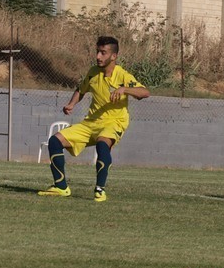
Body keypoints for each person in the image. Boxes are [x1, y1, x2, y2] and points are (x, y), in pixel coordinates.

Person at [38, 35, 150, 202]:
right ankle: (61, 187)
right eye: (97, 52)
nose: (98, 56)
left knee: (102, 144)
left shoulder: (122, 76)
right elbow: (81, 89)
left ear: (114, 56)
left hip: (114, 122)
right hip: (90, 123)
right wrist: (71, 104)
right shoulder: (93, 72)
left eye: (103, 53)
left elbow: (145, 93)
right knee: (55, 141)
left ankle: (99, 190)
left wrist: (124, 89)